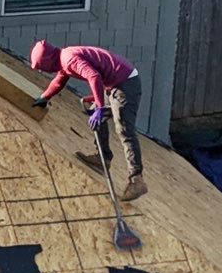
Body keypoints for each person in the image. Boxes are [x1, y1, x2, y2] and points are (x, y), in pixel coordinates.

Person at [28, 39, 147, 201]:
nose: (43, 71)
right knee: (94, 115)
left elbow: (94, 76)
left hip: (126, 82)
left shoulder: (69, 59)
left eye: (42, 67)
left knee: (124, 128)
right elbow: (59, 81)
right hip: (114, 83)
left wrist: (99, 107)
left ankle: (137, 179)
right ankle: (102, 158)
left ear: (48, 61)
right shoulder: (64, 59)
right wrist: (44, 97)